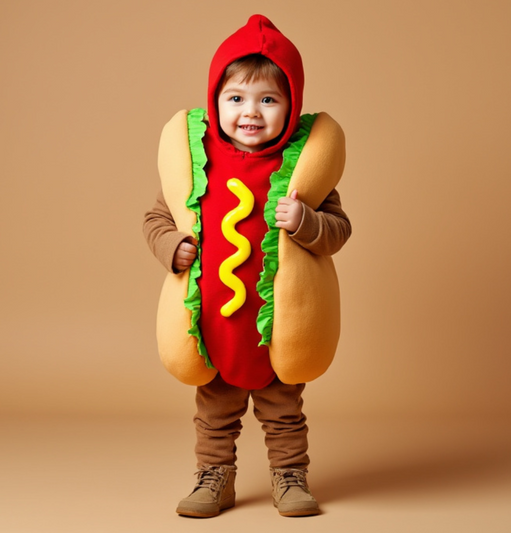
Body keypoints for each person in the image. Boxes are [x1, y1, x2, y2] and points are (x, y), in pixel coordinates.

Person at [143, 14, 351, 518]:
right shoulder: (197, 162)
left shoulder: (303, 167)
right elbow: (155, 218)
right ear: (216, 102)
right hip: (213, 322)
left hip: (279, 324)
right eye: (236, 98)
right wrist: (171, 246)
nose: (250, 113)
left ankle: (289, 476)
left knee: (284, 411)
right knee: (214, 413)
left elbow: (339, 231)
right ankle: (214, 477)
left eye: (268, 100)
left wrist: (305, 221)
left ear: (291, 106)